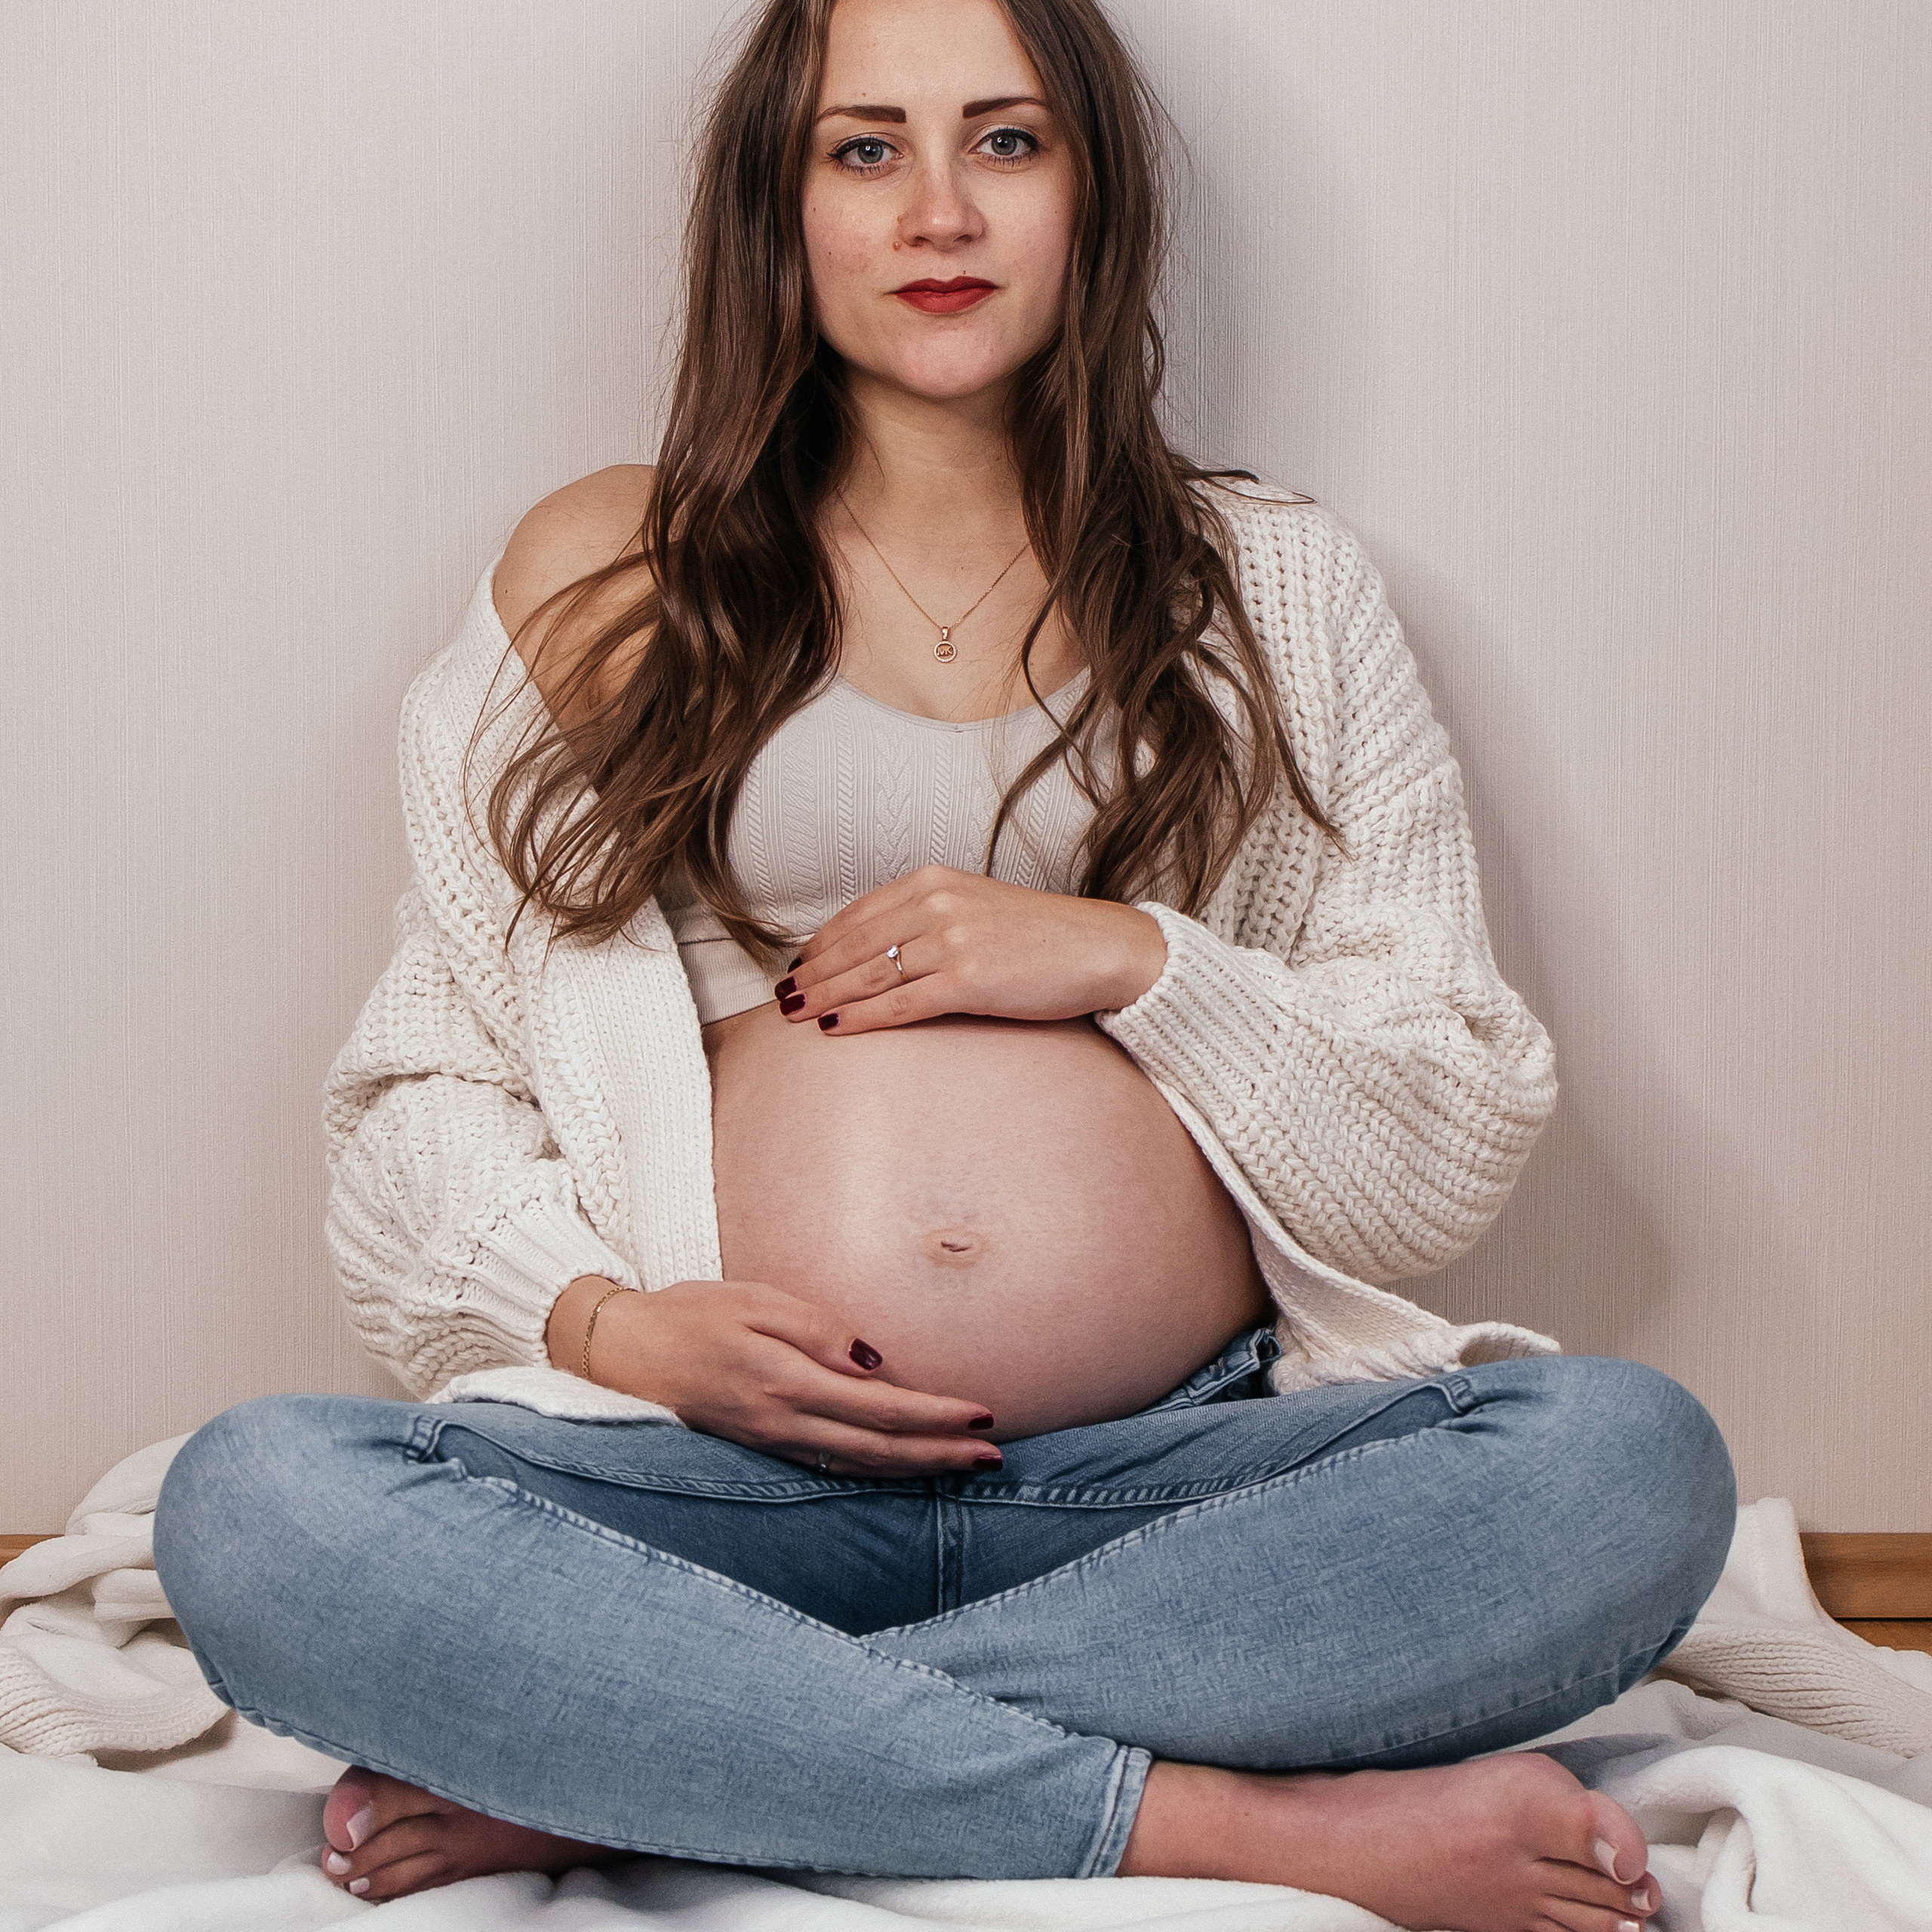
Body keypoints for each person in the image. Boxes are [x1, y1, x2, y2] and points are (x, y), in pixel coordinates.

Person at [151, 1, 1737, 1927]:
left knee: (1624, 1466)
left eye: (1003, 142)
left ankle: (661, 1759)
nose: (937, 211)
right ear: (780, 204)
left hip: (1186, 1489)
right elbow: (425, 1082)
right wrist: (605, 1327)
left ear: (1090, 191)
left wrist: (1133, 959)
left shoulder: (1267, 582)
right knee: (257, 1506)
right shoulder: (605, 572)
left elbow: (1445, 1115)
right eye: (863, 148)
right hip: (717, 1500)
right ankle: (1221, 1820)